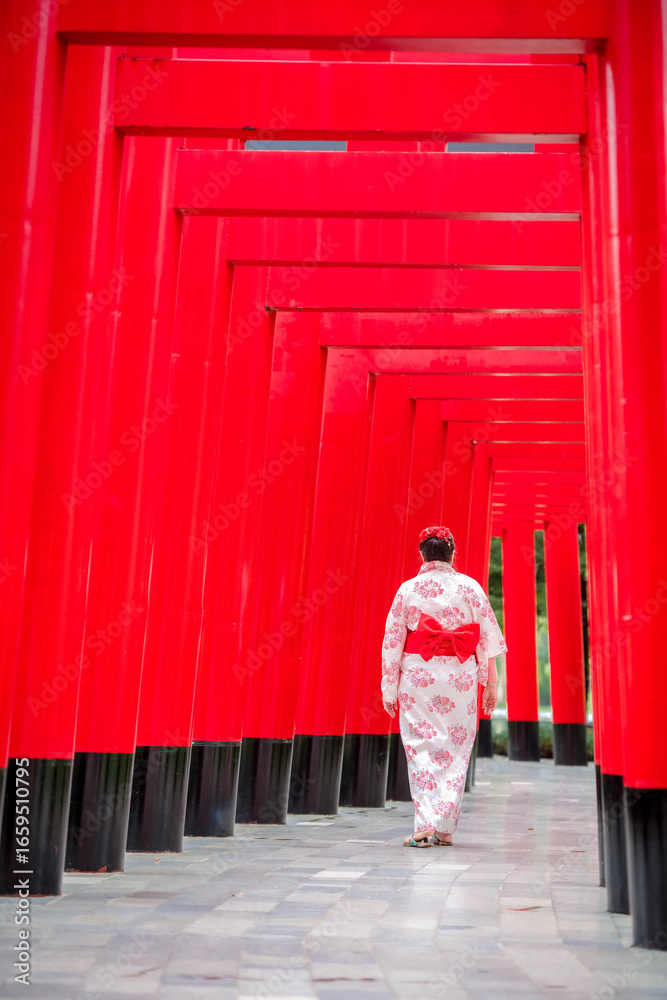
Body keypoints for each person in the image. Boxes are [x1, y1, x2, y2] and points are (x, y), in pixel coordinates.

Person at [381, 525, 507, 847]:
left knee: (420, 746)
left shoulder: (407, 590)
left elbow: (393, 642)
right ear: (452, 554)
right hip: (459, 678)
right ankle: (446, 828)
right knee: (455, 749)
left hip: (418, 679)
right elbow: (486, 638)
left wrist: (389, 687)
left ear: (422, 555)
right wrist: (491, 685)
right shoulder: (470, 588)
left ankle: (424, 826)